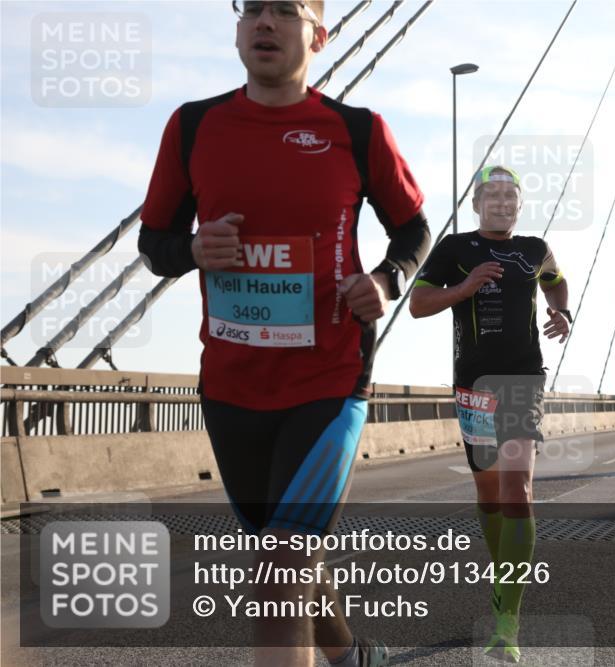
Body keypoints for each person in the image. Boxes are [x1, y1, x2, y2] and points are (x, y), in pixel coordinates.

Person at [138, 2, 430, 665]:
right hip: (233, 386)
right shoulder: (193, 128)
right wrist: (191, 249)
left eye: (286, 10)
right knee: (289, 554)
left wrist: (385, 279)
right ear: (238, 31)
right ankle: (353, 655)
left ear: (319, 34)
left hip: (328, 378)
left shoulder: (357, 131)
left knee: (278, 566)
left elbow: (413, 230)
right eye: (254, 10)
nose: (266, 22)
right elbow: (154, 244)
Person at [409, 165, 571, 663]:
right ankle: (505, 576)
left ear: (519, 204)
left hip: (523, 381)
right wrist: (465, 287)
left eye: (509, 195)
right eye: (491, 195)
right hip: (473, 386)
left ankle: (508, 620)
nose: (501, 202)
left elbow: (556, 282)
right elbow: (417, 304)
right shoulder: (455, 249)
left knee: (517, 489)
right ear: (476, 204)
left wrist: (563, 312)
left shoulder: (534, 249)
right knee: (488, 492)